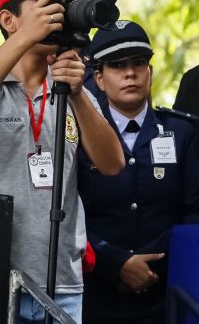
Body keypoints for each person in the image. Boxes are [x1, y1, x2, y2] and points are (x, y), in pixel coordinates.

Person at [0, 0, 124, 323]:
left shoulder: (71, 86)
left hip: (62, 281)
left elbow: (113, 163)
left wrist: (78, 94)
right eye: (45, 6)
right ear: (9, 19)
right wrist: (23, 40)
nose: (57, 15)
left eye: (62, 6)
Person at [78, 20, 199, 324]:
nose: (130, 73)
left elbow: (194, 213)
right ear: (99, 79)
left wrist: (151, 264)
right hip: (95, 294)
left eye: (138, 63)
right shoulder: (77, 135)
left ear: (150, 73)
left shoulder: (183, 132)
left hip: (166, 295)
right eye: (117, 65)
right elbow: (67, 214)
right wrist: (115, 263)